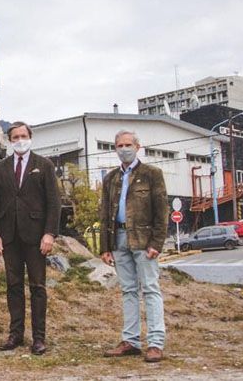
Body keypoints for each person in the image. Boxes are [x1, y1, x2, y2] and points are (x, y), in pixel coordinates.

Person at [0, 121, 61, 355]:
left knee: (38, 286)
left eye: (23, 136)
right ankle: (15, 334)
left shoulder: (44, 165)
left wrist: (49, 232)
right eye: (15, 137)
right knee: (13, 286)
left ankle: (39, 338)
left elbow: (54, 203)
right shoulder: (1, 168)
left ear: (30, 137)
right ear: (10, 141)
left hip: (36, 236)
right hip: (9, 236)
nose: (19, 140)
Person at [99, 130, 168, 363]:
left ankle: (156, 343)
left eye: (128, 144)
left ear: (138, 147)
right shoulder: (110, 178)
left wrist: (157, 242)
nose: (124, 148)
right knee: (128, 290)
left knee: (150, 288)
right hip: (118, 238)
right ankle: (131, 341)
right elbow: (104, 213)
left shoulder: (152, 174)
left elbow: (161, 211)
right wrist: (104, 247)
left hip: (143, 239)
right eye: (119, 145)